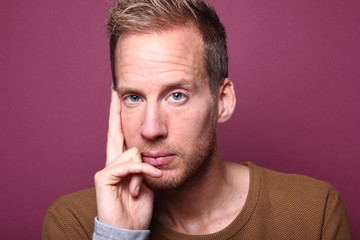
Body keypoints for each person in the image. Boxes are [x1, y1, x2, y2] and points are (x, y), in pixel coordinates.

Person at [42, 0, 352, 239]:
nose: (151, 129)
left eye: (176, 95)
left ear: (223, 101)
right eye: (133, 97)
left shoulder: (313, 212)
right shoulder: (74, 222)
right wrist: (119, 235)